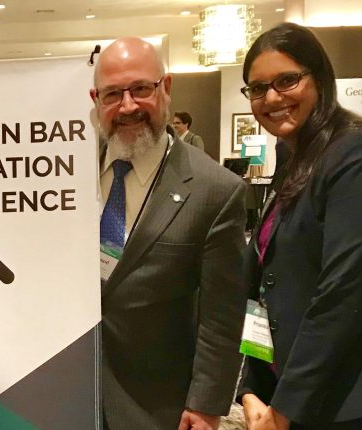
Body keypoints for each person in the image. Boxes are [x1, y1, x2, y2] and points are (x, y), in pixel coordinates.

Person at [91, 38, 247, 430]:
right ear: (96, 100)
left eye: (141, 88)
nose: (128, 106)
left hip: (158, 406)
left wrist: (206, 404)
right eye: (113, 94)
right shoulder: (62, 171)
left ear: (167, 88)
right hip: (66, 394)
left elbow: (221, 316)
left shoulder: (215, 190)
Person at [238, 23, 362, 430]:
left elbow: (343, 291)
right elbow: (266, 287)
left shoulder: (355, 153)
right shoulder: (293, 157)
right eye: (258, 88)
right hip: (289, 397)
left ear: (320, 79)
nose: (272, 98)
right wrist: (251, 388)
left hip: (343, 404)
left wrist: (284, 409)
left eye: (287, 80)